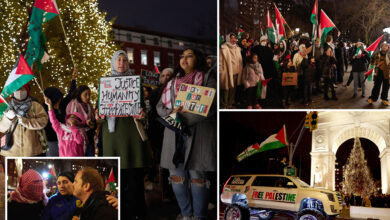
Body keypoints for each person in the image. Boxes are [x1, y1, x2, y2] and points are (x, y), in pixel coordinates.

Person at [157, 48, 216, 220]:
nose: (184, 59)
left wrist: (182, 120)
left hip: (197, 134)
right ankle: (186, 214)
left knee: (197, 176)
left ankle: (198, 216)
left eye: (189, 56)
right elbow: (160, 107)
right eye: (182, 56)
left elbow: (209, 106)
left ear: (197, 59)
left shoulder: (206, 79)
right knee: (176, 176)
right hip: (174, 134)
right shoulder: (171, 83)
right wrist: (172, 115)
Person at [101, 50, 151, 220]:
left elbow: (145, 110)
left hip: (133, 138)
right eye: (118, 60)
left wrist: (143, 115)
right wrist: (98, 115)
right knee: (119, 179)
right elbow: (98, 111)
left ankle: (139, 213)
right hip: (113, 138)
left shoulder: (135, 84)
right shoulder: (105, 84)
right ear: (113, 62)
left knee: (136, 180)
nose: (121, 62)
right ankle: (122, 213)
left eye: (124, 60)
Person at [42, 171, 118, 220]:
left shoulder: (101, 207)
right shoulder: (52, 200)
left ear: (86, 186)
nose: (61, 186)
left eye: (75, 181)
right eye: (58, 183)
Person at [0, 85, 48, 156]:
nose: (19, 91)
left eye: (23, 89)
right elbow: (1, 128)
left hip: (31, 151)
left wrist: (26, 122)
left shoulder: (35, 106)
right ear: (13, 92)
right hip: (11, 151)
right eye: (17, 89)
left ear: (27, 92)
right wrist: (8, 118)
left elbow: (43, 122)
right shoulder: (6, 107)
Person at [43, 69, 78, 156]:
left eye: (60, 98)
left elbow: (71, 94)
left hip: (64, 140)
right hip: (52, 141)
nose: (60, 100)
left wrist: (74, 79)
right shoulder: (45, 109)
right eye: (57, 99)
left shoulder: (62, 104)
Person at [66, 85, 95, 156]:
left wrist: (92, 125)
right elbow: (71, 122)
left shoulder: (89, 105)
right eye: (85, 95)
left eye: (89, 94)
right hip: (78, 139)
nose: (88, 97)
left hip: (89, 137)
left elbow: (93, 121)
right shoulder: (73, 105)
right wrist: (84, 122)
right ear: (79, 95)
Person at [220, 33, 243, 109]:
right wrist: (220, 71)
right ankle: (224, 105)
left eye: (234, 38)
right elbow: (220, 61)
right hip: (227, 72)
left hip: (236, 72)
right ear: (228, 39)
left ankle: (230, 104)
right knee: (226, 89)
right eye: (231, 38)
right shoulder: (223, 48)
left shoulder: (237, 48)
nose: (233, 40)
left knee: (233, 89)